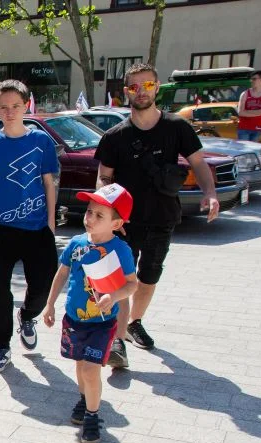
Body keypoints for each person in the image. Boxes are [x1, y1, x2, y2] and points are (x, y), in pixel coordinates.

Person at [94, 62, 218, 368]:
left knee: (149, 276)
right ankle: (119, 340)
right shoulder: (114, 136)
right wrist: (106, 212)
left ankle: (135, 322)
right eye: (134, 87)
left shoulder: (177, 127)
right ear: (126, 92)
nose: (141, 92)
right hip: (124, 221)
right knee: (123, 278)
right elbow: (103, 178)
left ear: (157, 87)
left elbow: (199, 164)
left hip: (163, 216)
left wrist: (210, 193)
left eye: (147, 85)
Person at [43, 183, 138, 443]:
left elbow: (132, 284)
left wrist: (114, 296)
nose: (89, 219)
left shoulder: (121, 250)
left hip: (103, 323)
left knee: (90, 368)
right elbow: (62, 273)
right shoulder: (75, 244)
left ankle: (93, 417)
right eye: (88, 212)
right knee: (80, 365)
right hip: (74, 319)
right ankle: (85, 400)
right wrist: (50, 304)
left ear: (116, 223)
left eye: (99, 216)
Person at [0, 80, 60, 374]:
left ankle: (27, 316)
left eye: (15, 106)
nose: (10, 112)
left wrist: (50, 222)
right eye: (3, 107)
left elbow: (49, 183)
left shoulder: (41, 141)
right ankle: (2, 346)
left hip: (37, 228)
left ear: (26, 106)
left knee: (44, 283)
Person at [236, 70, 261, 143]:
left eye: (254, 79)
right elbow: (240, 112)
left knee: (253, 150)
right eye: (251, 79)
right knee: (244, 151)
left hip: (257, 128)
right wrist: (260, 112)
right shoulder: (245, 94)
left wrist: (247, 112)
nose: (251, 81)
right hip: (244, 128)